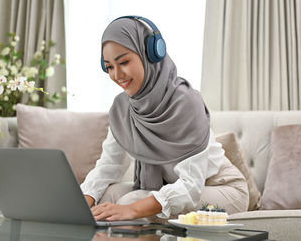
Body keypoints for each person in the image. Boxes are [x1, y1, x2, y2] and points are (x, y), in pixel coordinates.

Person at [81, 16, 249, 221]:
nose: (117, 75)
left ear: (151, 55)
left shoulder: (186, 102)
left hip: (221, 188)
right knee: (105, 197)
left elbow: (190, 186)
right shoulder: (122, 107)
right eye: (109, 67)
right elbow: (109, 166)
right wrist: (80, 202)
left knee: (129, 203)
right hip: (173, 187)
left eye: (124, 62)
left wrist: (132, 209)